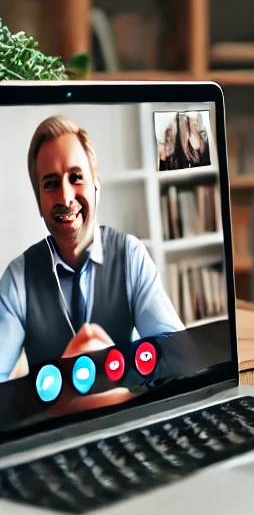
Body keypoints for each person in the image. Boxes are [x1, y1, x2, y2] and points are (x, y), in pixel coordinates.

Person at [0, 115, 184, 382]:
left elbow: (178, 358)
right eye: (50, 184)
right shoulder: (18, 279)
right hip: (53, 422)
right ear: (39, 201)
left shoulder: (129, 255)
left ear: (96, 182)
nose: (65, 197)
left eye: (76, 177)